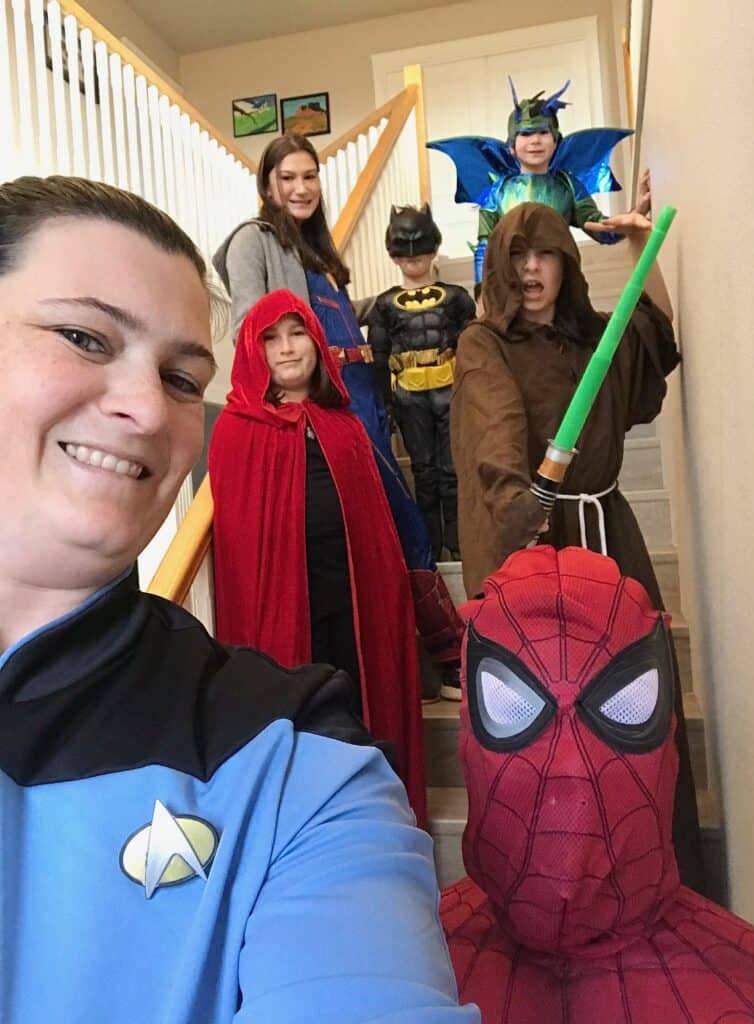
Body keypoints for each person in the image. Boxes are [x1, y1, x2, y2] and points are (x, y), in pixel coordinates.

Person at [0, 174, 479, 1023]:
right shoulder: (248, 443)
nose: (148, 407)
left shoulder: (298, 763)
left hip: (349, 617)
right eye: (83, 336)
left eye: (184, 380)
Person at [450, 200, 704, 889]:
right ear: (500, 266)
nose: (532, 270)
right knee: (552, 722)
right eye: (518, 257)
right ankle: (552, 882)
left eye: (547, 255)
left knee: (632, 702)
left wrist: (641, 246)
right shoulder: (483, 344)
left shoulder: (596, 338)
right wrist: (516, 513)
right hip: (539, 545)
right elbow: (492, 428)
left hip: (606, 534)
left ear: (566, 263)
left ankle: (650, 871)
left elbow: (652, 338)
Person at [442, 546, 754, 1023]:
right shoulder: (405, 971)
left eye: (625, 704)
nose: (571, 766)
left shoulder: (403, 970)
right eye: (513, 708)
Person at [213, 134, 466, 696]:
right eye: (288, 178)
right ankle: (445, 653)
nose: (301, 188)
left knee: (391, 523)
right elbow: (253, 330)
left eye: (309, 176)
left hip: (361, 396)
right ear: (268, 185)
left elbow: (339, 323)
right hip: (324, 401)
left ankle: (424, 659)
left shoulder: (317, 250)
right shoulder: (253, 242)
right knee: (402, 521)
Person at [209, 288, 426, 823]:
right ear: (253, 352)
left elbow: (377, 527)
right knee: (300, 710)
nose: (286, 348)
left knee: (357, 701)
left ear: (317, 342)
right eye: (271, 338)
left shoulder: (344, 425)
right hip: (285, 602)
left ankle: (370, 814)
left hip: (354, 596)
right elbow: (239, 554)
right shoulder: (237, 432)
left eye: (297, 332)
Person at [427, 78, 649, 282]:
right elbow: (485, 246)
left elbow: (601, 229)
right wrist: (481, 294)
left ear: (556, 142)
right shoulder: (498, 191)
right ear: (511, 147)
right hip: (511, 285)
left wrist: (634, 215)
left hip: (559, 284)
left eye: (543, 133)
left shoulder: (568, 185)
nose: (535, 141)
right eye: (525, 134)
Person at [367, 204, 475, 561]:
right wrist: (385, 403)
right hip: (410, 396)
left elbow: (473, 350)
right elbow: (380, 358)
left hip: (452, 392)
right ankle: (430, 547)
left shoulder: (458, 299)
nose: (414, 254)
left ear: (434, 245)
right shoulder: (384, 307)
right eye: (404, 245)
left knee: (452, 471)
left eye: (421, 244)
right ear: (392, 253)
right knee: (425, 474)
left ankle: (459, 543)